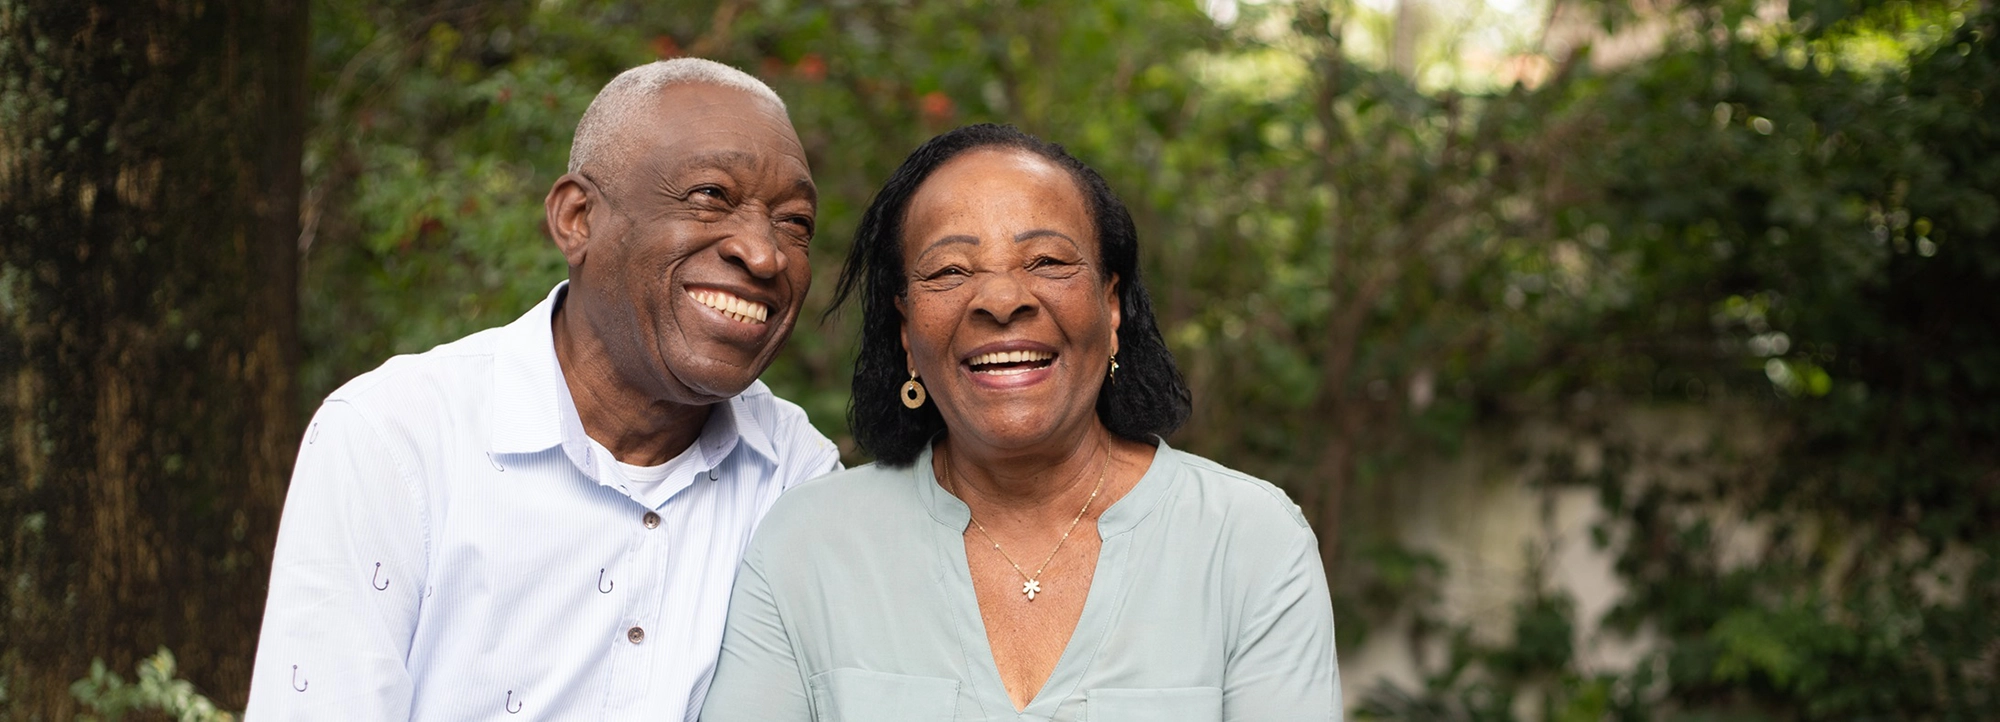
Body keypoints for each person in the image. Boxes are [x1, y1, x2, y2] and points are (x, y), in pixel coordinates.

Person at [245, 58, 842, 720]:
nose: (764, 254)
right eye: (710, 195)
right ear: (578, 218)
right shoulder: (396, 437)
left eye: (795, 223)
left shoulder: (793, 475)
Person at [700, 124, 1341, 722]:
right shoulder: (808, 545)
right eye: (950, 271)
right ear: (906, 331)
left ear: (1111, 306)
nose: (1003, 300)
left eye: (1047, 262)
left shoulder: (1249, 542)